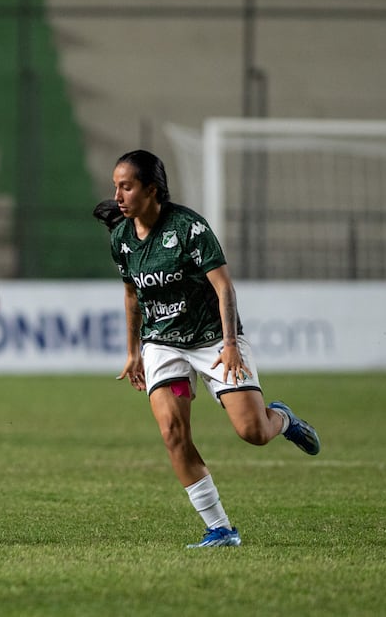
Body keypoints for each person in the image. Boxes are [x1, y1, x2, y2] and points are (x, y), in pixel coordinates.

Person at [98, 149, 320, 548]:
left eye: (126, 187)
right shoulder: (122, 239)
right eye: (115, 186)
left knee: (252, 432)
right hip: (162, 344)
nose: (117, 195)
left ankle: (282, 419)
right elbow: (132, 296)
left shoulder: (189, 228)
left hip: (213, 340)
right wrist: (133, 351)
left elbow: (224, 287)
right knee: (172, 432)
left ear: (151, 190)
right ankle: (220, 528)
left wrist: (231, 344)